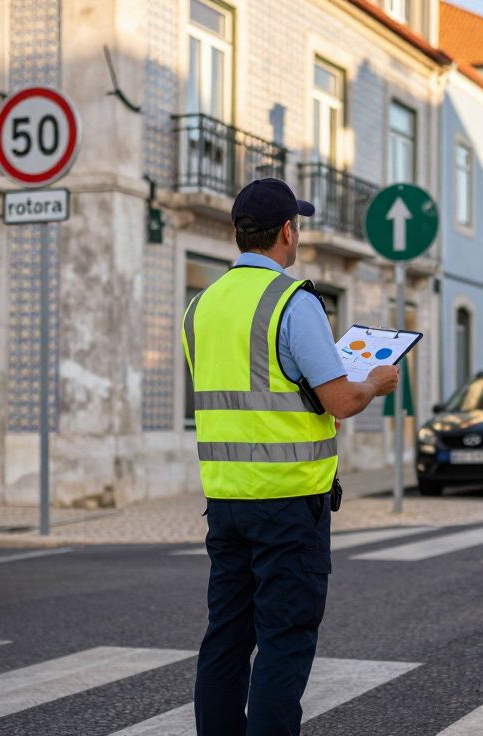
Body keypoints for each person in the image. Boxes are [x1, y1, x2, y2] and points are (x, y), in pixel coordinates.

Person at [182, 178, 399, 736]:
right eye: (296, 226)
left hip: (226, 501)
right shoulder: (292, 301)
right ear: (286, 232)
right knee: (284, 640)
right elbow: (341, 401)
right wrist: (374, 382)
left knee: (225, 639)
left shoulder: (200, 307)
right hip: (289, 503)